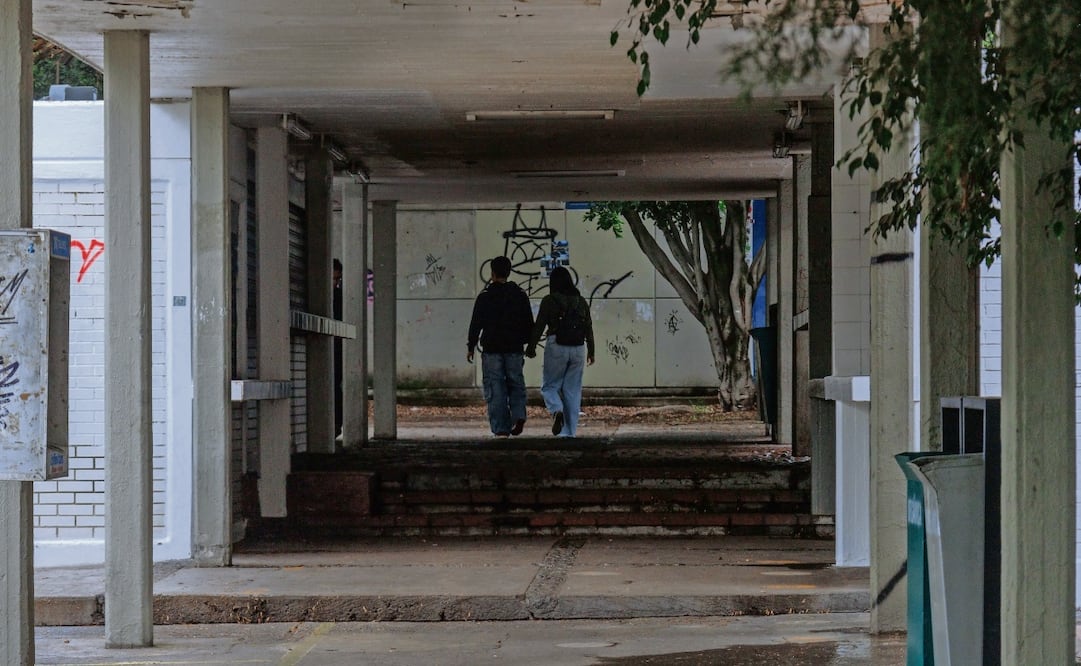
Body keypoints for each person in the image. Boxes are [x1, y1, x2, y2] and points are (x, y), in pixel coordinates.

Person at [467, 256, 534, 437]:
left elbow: (476, 323)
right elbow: (529, 322)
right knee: (516, 382)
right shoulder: (520, 296)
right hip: (514, 347)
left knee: (495, 387)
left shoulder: (485, 297)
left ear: (493, 273)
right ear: (509, 272)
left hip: (492, 348)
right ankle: (519, 414)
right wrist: (529, 344)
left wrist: (471, 345)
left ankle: (501, 428)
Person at [526, 266, 594, 437]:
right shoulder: (581, 301)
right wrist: (592, 351)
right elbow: (588, 327)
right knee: (572, 390)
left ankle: (556, 410)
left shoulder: (550, 300)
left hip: (556, 345)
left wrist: (531, 347)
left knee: (550, 386)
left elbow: (539, 325)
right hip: (578, 348)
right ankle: (568, 434)